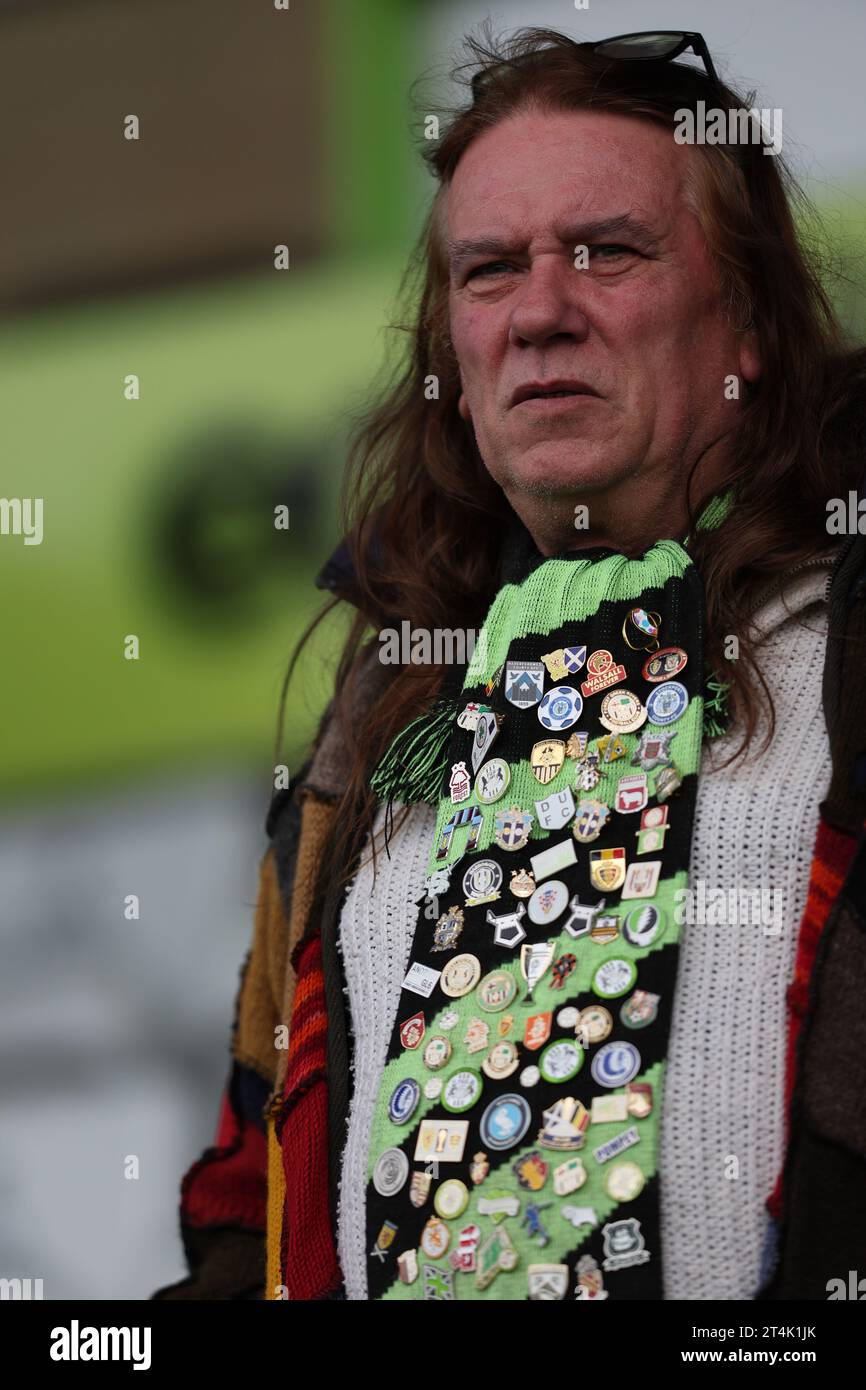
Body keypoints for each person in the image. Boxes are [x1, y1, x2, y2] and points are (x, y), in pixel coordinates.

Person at [153, 27, 866, 1302]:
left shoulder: (849, 649)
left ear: (745, 321)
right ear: (457, 366)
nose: (541, 310)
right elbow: (247, 1200)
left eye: (609, 251)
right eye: (488, 270)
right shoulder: (374, 727)